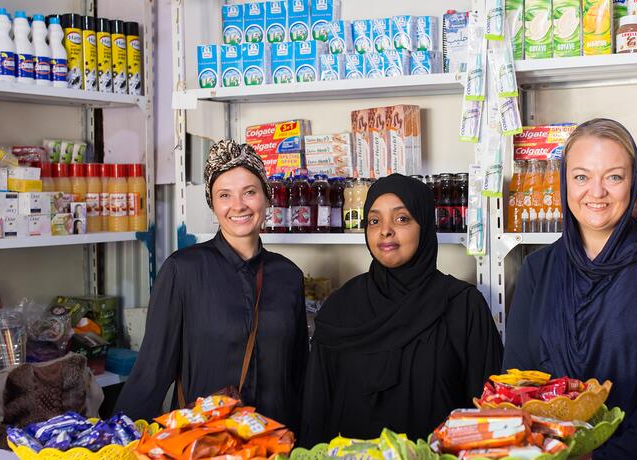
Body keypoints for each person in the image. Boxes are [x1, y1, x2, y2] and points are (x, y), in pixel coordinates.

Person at [503, 119, 637, 459]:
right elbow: (518, 382)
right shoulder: (538, 269)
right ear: (564, 183)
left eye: (613, 176)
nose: (596, 192)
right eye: (581, 176)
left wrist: (603, 456)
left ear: (633, 183)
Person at [116, 140, 308, 431]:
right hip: (206, 444)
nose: (238, 205)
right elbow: (152, 372)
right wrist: (117, 440)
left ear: (266, 198)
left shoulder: (288, 276)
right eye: (224, 195)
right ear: (213, 204)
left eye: (250, 192)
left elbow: (299, 375)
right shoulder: (183, 271)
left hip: (277, 442)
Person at [301, 174, 503, 446]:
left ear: (424, 225)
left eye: (402, 219)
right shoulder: (341, 308)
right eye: (374, 221)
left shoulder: (463, 306)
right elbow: (317, 411)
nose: (385, 230)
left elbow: (490, 416)